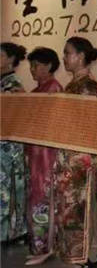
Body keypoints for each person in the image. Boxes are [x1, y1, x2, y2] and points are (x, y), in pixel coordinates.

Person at [55, 37, 97, 266]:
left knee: (80, 208)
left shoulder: (88, 86)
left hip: (81, 159)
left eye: (67, 52)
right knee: (74, 208)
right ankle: (91, 257)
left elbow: (90, 126)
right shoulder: (75, 84)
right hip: (72, 157)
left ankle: (85, 258)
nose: (64, 57)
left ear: (80, 56)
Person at [24, 47, 63, 265]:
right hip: (35, 154)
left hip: (47, 155)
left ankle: (47, 247)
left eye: (36, 65)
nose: (32, 69)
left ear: (48, 66)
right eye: (31, 65)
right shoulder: (37, 91)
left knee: (44, 199)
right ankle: (39, 246)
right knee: (35, 198)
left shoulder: (54, 89)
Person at [0, 42, 27, 245]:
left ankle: (9, 233)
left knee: (6, 190)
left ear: (10, 59)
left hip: (8, 146)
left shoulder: (13, 84)